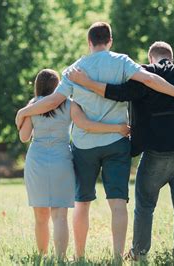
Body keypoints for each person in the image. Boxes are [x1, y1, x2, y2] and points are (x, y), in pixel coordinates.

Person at [15, 22, 174, 259]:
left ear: (89, 42)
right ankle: (118, 258)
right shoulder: (122, 62)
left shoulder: (74, 70)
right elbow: (150, 79)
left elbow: (51, 101)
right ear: (110, 40)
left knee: (82, 202)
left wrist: (23, 112)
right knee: (118, 203)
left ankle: (79, 257)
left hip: (84, 146)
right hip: (117, 140)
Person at [67, 41, 174, 258]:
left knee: (145, 205)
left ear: (151, 57)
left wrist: (86, 82)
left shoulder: (145, 75)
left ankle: (139, 253)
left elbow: (117, 92)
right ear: (172, 58)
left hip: (157, 150)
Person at [18, 69, 129, 259]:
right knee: (60, 216)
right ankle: (61, 259)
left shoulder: (32, 106)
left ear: (37, 86)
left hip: (37, 161)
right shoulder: (69, 104)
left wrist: (21, 117)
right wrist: (116, 128)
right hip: (62, 159)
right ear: (57, 86)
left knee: (40, 217)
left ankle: (43, 256)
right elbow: (86, 124)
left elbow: (24, 137)